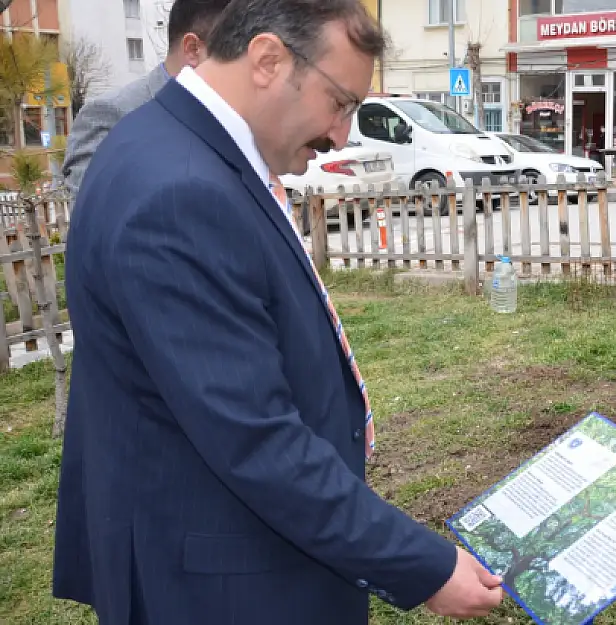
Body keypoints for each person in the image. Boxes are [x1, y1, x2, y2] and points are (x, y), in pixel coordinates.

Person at [51, 1, 503, 624]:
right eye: (341, 102)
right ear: (267, 60)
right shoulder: (180, 193)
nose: (342, 135)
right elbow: (257, 441)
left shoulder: (170, 144)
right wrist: (423, 565)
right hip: (221, 582)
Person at [61, 0, 231, 194]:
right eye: (235, 51)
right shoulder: (111, 114)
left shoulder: (234, 115)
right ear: (193, 49)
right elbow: (93, 213)